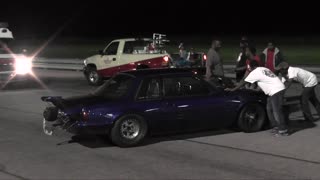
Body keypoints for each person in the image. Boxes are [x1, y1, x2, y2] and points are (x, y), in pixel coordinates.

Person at [226, 60, 289, 136]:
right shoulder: (263, 69)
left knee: (276, 111)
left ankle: (283, 130)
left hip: (276, 90)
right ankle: (276, 127)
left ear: (251, 67)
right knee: (269, 109)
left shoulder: (255, 72)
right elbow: (267, 80)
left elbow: (243, 82)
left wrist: (233, 89)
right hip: (275, 89)